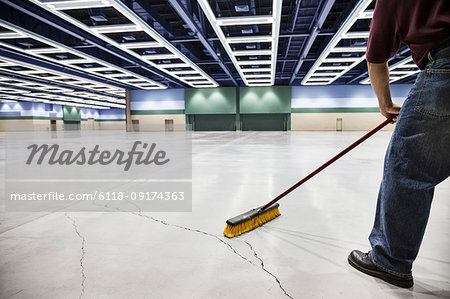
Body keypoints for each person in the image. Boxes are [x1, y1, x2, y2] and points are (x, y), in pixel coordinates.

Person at [347, 0, 450, 288]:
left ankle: (390, 260)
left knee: (408, 171)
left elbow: (376, 56)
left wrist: (385, 103)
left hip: (444, 68)